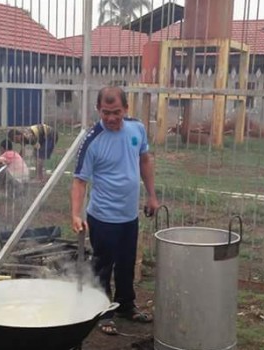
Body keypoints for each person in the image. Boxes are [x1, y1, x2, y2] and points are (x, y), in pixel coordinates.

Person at [70, 86, 160, 336]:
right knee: (103, 266)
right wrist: (76, 214)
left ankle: (126, 305)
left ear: (126, 109)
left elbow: (144, 160)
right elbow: (79, 180)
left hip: (129, 216)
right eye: (106, 112)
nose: (111, 118)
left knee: (126, 264)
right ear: (98, 110)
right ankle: (104, 311)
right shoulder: (92, 140)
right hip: (103, 217)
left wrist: (152, 196)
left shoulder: (137, 129)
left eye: (116, 112)